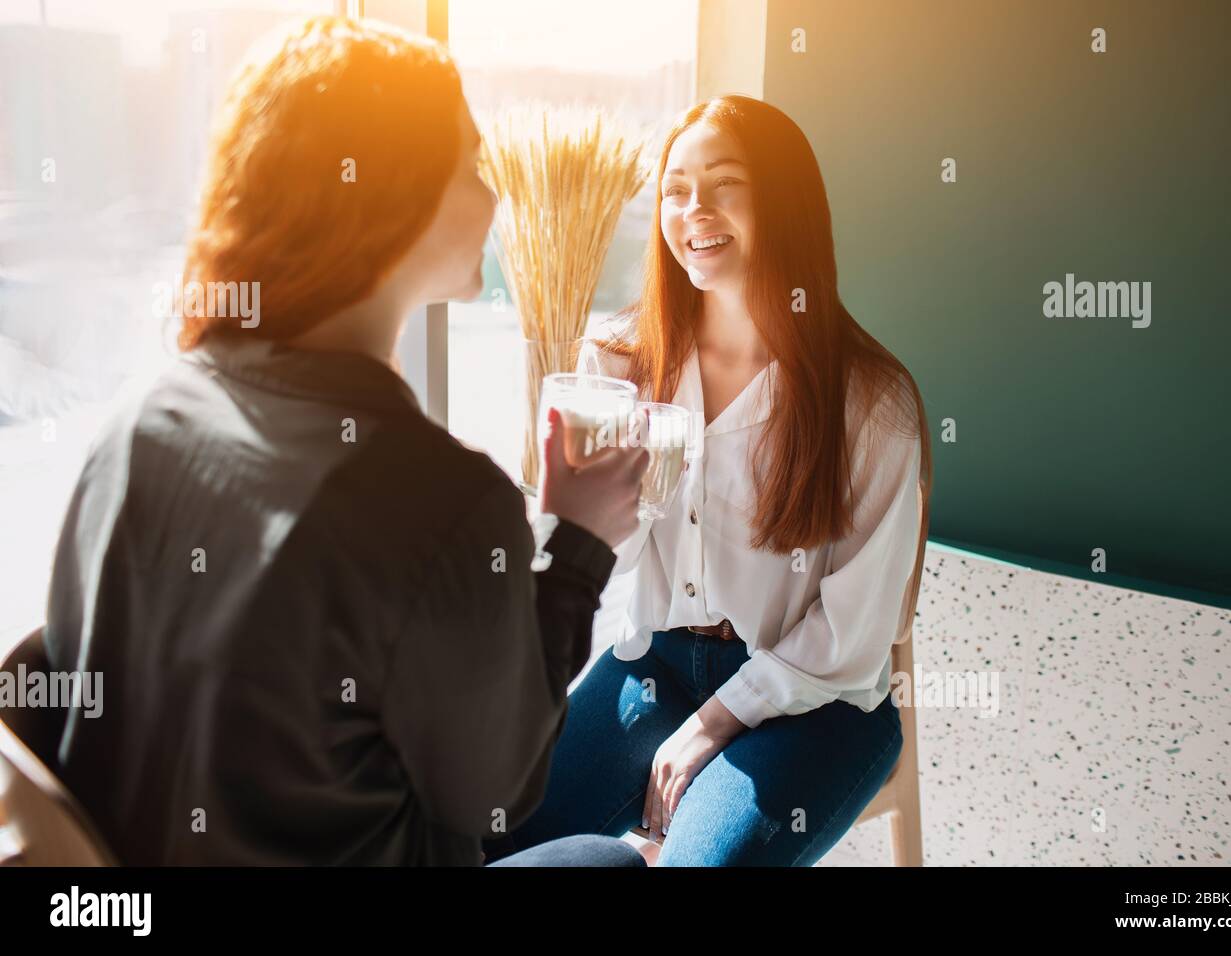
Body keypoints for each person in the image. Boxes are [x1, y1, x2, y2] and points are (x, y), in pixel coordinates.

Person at [41, 15, 648, 867]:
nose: (497, 194)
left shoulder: (144, 415)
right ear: (390, 196)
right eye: (471, 164)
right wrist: (577, 543)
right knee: (611, 862)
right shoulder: (438, 499)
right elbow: (498, 795)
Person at [484, 95, 933, 866]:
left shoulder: (870, 402)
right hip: (655, 668)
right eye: (676, 187)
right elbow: (603, 566)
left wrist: (715, 721)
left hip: (817, 703)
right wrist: (584, 508)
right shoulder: (621, 366)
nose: (695, 208)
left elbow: (855, 639)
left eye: (726, 184)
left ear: (785, 204)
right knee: (483, 831)